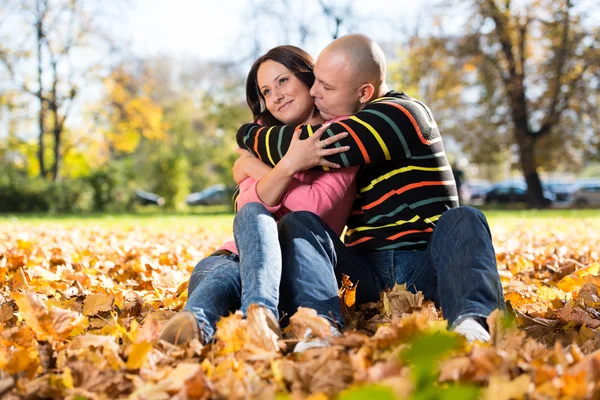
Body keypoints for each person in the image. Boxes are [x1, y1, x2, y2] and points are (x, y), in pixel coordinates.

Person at [236, 34, 505, 343]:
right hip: (364, 270)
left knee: (465, 218)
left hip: (426, 264)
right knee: (299, 224)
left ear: (364, 92)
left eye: (326, 87)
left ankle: (472, 322)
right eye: (316, 82)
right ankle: (319, 328)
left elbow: (306, 147)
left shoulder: (400, 114)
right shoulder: (351, 119)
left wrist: (246, 134)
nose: (313, 92)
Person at [158, 45, 358, 346]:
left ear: (308, 77)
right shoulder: (263, 138)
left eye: (283, 81)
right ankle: (244, 319)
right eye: (265, 91)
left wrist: (260, 166)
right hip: (227, 261)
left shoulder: (339, 137)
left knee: (241, 267)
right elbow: (249, 205)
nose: (275, 96)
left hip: (294, 273)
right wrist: (289, 164)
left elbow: (312, 208)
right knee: (242, 234)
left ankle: (223, 317)